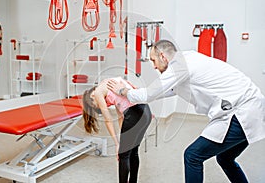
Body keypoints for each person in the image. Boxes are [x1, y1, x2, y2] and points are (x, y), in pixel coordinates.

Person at [107, 39, 265, 183]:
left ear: (163, 56)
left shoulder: (179, 66)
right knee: (225, 158)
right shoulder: (186, 58)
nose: (154, 66)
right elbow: (166, 90)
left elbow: (149, 94)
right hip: (248, 106)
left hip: (242, 111)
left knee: (193, 156)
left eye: (154, 61)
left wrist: (123, 91)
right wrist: (141, 93)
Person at [82, 77, 152, 183]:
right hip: (146, 112)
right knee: (133, 152)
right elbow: (121, 116)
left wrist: (117, 144)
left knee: (123, 155)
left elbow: (108, 120)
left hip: (134, 114)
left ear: (91, 98)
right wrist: (123, 139)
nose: (99, 106)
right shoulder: (110, 84)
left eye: (95, 106)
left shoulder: (97, 92)